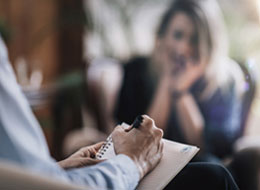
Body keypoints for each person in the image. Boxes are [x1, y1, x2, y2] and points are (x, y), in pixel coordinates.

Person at [114, 0, 244, 160]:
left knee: (211, 167)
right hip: (146, 162)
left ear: (209, 45)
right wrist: (167, 81)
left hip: (199, 165)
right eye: (178, 35)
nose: (184, 49)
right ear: (161, 37)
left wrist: (180, 92)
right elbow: (137, 143)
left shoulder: (225, 82)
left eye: (195, 39)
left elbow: (208, 149)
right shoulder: (136, 70)